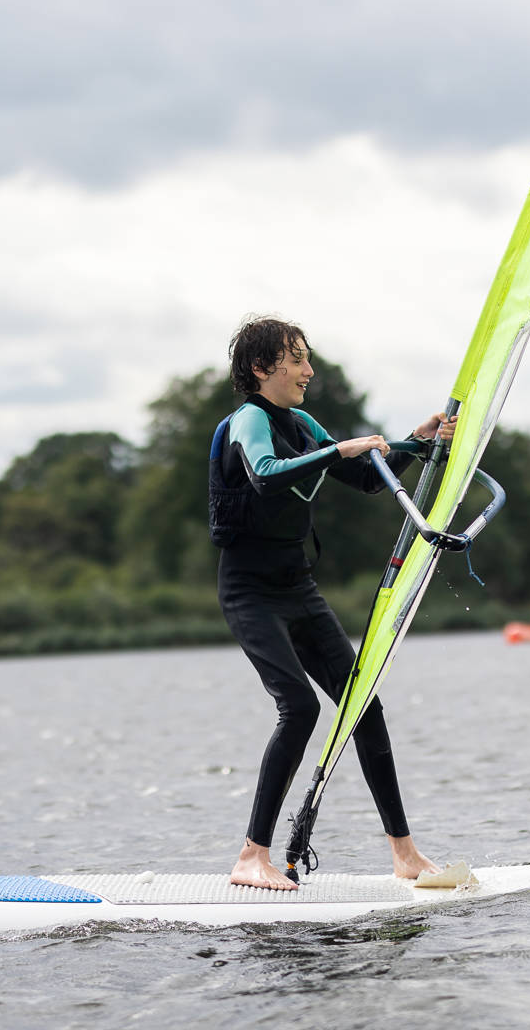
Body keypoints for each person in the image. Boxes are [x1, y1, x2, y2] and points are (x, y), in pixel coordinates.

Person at [210, 316, 455, 890]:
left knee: (362, 707)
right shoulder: (247, 422)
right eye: (295, 359)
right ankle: (252, 856)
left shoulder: (303, 423)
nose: (307, 370)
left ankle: (405, 854)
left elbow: (368, 480)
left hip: (298, 587)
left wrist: (416, 446)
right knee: (298, 705)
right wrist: (339, 449)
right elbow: (265, 476)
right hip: (250, 592)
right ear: (260, 368)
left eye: (305, 357)